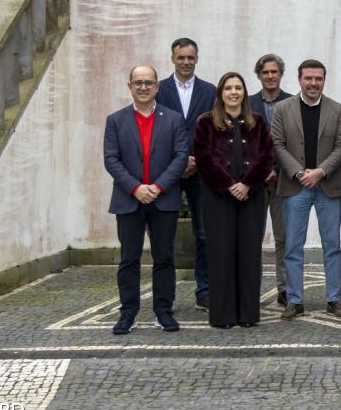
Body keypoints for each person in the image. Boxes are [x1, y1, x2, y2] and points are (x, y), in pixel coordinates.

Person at [104, 65, 189, 335]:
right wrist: (135, 188)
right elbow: (111, 159)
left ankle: (163, 311)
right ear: (129, 86)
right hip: (129, 199)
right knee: (129, 259)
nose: (143, 87)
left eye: (148, 82)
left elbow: (180, 156)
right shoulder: (115, 120)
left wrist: (158, 186)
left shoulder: (173, 119)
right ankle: (127, 313)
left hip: (164, 199)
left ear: (157, 87)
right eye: (138, 82)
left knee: (164, 257)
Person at [193, 71, 274, 329]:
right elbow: (204, 159)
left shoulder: (257, 121)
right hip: (218, 197)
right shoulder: (206, 122)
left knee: (249, 254)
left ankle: (248, 314)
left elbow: (266, 157)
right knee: (221, 253)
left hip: (252, 196)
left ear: (244, 93)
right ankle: (223, 315)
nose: (233, 92)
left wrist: (247, 184)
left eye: (238, 88)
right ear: (220, 93)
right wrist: (229, 185)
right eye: (228, 88)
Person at [270, 59, 341, 320]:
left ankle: (334, 300)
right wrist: (299, 172)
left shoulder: (337, 109)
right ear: (299, 79)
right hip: (295, 186)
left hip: (328, 185)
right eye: (308, 78)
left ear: (324, 80)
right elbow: (277, 144)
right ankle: (294, 301)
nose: (313, 83)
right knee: (293, 246)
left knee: (332, 246)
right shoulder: (283, 109)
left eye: (318, 78)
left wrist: (320, 171)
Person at [155, 37, 216, 310]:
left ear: (197, 58)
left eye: (191, 57)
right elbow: (156, 132)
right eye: (181, 57)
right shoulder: (159, 90)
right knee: (164, 234)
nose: (186, 62)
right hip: (168, 171)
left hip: (201, 171)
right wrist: (178, 162)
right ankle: (165, 295)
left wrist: (196, 160)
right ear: (172, 59)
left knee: (204, 233)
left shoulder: (210, 91)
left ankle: (205, 291)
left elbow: (215, 131)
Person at [249, 53, 291, 307]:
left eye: (274, 72)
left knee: (283, 237)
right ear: (259, 75)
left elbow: (295, 143)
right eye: (265, 72)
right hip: (254, 182)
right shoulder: (248, 103)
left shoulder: (292, 102)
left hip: (283, 180)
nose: (270, 76)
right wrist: (260, 170)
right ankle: (251, 288)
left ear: (281, 74)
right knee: (252, 237)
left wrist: (276, 168)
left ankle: (285, 289)